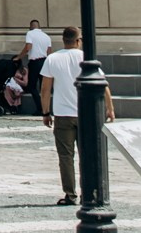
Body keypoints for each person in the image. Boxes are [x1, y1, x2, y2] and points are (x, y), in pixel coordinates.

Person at [40, 26, 112, 208]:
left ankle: (70, 194)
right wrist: (110, 108)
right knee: (87, 155)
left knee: (65, 156)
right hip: (86, 113)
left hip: (63, 114)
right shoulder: (85, 58)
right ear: (78, 41)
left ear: (63, 40)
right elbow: (102, 85)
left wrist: (45, 112)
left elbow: (45, 89)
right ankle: (90, 192)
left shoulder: (52, 59)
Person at [19, 19, 53, 113]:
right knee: (44, 87)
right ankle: (46, 109)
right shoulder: (46, 36)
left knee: (32, 87)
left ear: (30, 26)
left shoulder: (30, 34)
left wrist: (19, 57)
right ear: (39, 26)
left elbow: (28, 47)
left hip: (34, 63)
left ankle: (40, 108)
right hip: (44, 62)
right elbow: (49, 52)